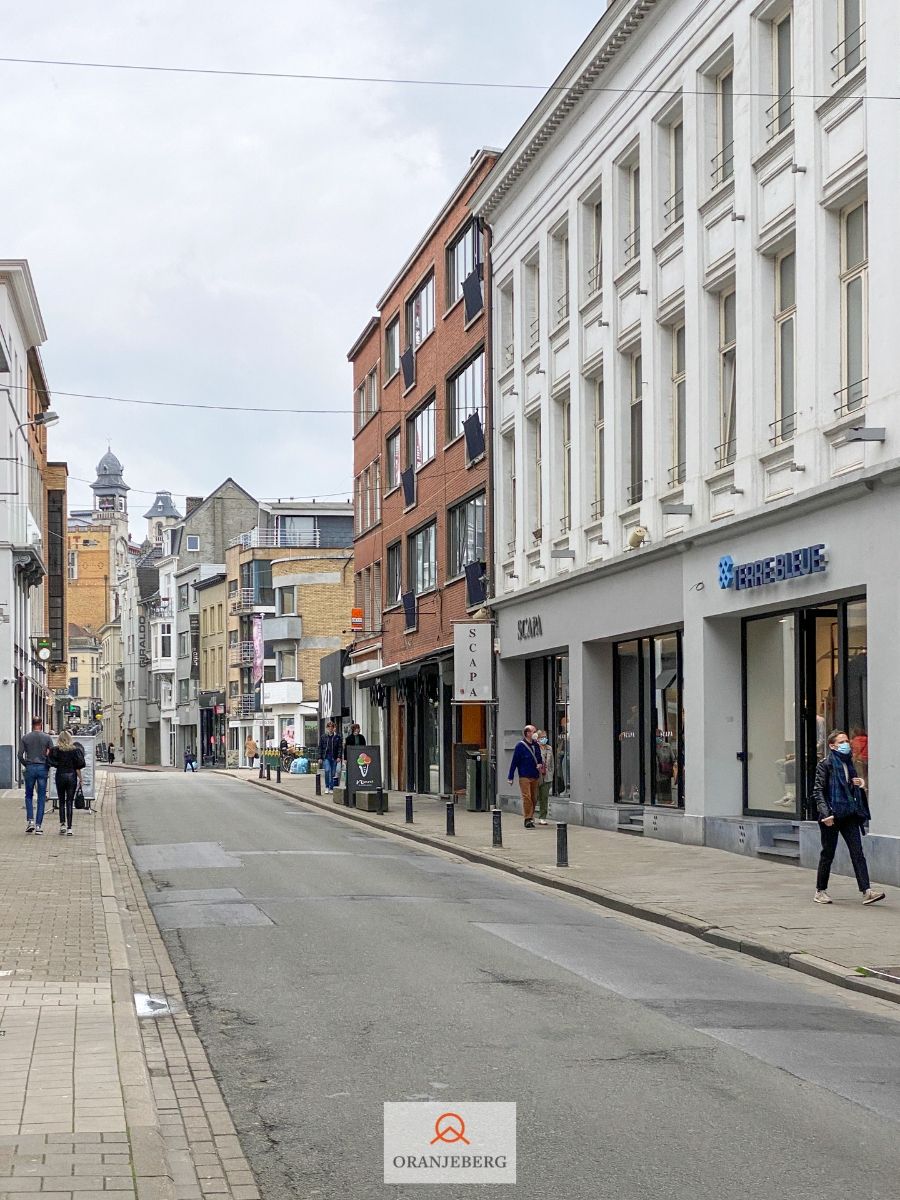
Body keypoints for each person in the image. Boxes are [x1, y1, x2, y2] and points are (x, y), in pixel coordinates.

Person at [813, 728, 885, 906]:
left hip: (849, 814)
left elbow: (849, 786)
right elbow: (818, 791)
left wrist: (860, 783)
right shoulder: (825, 764)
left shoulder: (849, 763)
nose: (846, 745)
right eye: (841, 742)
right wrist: (825, 813)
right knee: (828, 853)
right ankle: (820, 891)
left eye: (847, 741)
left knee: (857, 852)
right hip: (831, 815)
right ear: (832, 746)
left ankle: (867, 891)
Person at [19, 717, 53, 834]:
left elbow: (19, 755)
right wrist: (47, 765)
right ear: (41, 725)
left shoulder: (25, 738)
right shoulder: (47, 738)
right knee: (41, 797)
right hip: (42, 767)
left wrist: (26, 764)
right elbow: (52, 754)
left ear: (32, 725)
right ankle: (39, 826)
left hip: (30, 767)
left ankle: (30, 821)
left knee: (28, 795)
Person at [49, 730, 84, 836]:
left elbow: (51, 761)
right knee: (69, 801)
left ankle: (62, 824)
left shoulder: (56, 750)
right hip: (71, 776)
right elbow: (78, 767)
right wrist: (80, 779)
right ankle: (70, 828)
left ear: (59, 739)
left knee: (61, 801)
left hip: (60, 775)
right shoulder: (75, 750)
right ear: (70, 739)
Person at [507, 725, 543, 829]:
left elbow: (539, 757)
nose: (535, 733)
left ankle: (531, 816)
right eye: (533, 731)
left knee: (534, 797)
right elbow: (514, 762)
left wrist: (540, 764)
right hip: (524, 775)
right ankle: (527, 819)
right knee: (526, 797)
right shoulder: (520, 746)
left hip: (535, 774)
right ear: (527, 733)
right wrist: (510, 776)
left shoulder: (536, 745)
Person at [319, 720, 343, 794]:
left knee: (333, 773)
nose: (330, 729)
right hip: (326, 757)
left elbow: (340, 747)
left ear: (334, 728)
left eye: (332, 727)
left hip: (334, 757)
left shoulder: (337, 737)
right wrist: (319, 757)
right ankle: (327, 786)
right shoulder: (323, 737)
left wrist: (339, 756)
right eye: (329, 727)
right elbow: (320, 747)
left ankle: (331, 787)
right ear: (327, 728)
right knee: (327, 770)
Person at [536, 730, 554, 825]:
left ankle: (543, 817)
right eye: (542, 737)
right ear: (538, 738)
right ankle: (530, 816)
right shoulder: (535, 748)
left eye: (545, 736)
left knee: (544, 797)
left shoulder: (549, 748)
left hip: (547, 776)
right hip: (537, 776)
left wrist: (551, 774)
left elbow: (552, 763)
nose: (544, 738)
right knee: (535, 797)